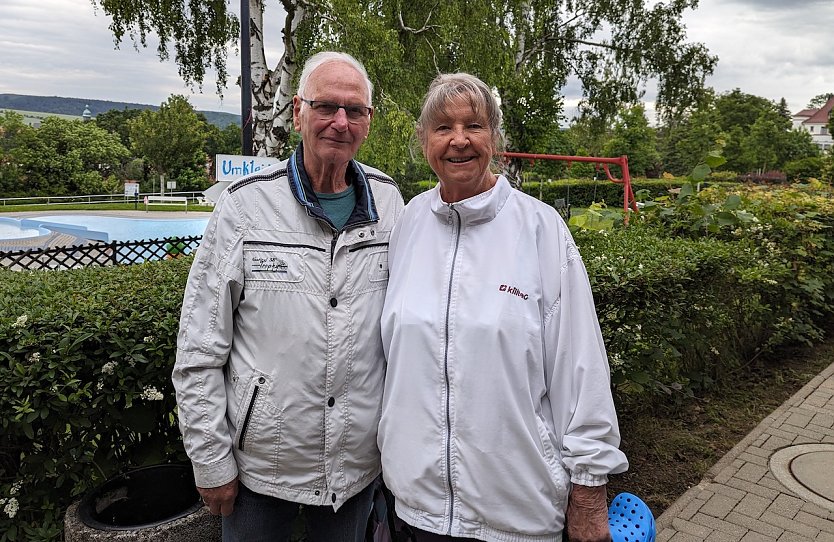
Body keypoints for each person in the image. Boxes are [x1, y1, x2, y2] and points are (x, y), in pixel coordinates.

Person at [377, 73, 628, 542]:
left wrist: (590, 491)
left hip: (516, 515)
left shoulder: (541, 229)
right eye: (442, 127)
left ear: (495, 137)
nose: (459, 141)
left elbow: (582, 367)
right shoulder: (408, 224)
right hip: (415, 513)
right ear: (424, 140)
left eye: (474, 125)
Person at [172, 51, 404, 542]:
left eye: (354, 110)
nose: (340, 122)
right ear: (298, 111)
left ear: (368, 122)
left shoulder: (389, 203)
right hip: (261, 470)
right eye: (326, 106)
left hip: (356, 466)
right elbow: (199, 346)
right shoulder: (246, 206)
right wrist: (211, 460)